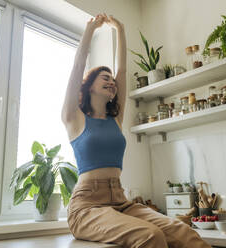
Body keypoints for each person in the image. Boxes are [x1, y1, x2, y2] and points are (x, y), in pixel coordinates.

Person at [61, 13, 211, 248]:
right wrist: (90, 29)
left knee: (185, 234)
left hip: (121, 201)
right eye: (104, 77)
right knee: (150, 235)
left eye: (112, 79)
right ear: (89, 86)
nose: (112, 81)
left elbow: (122, 72)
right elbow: (78, 64)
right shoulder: (74, 118)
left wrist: (120, 29)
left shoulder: (115, 119)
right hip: (87, 207)